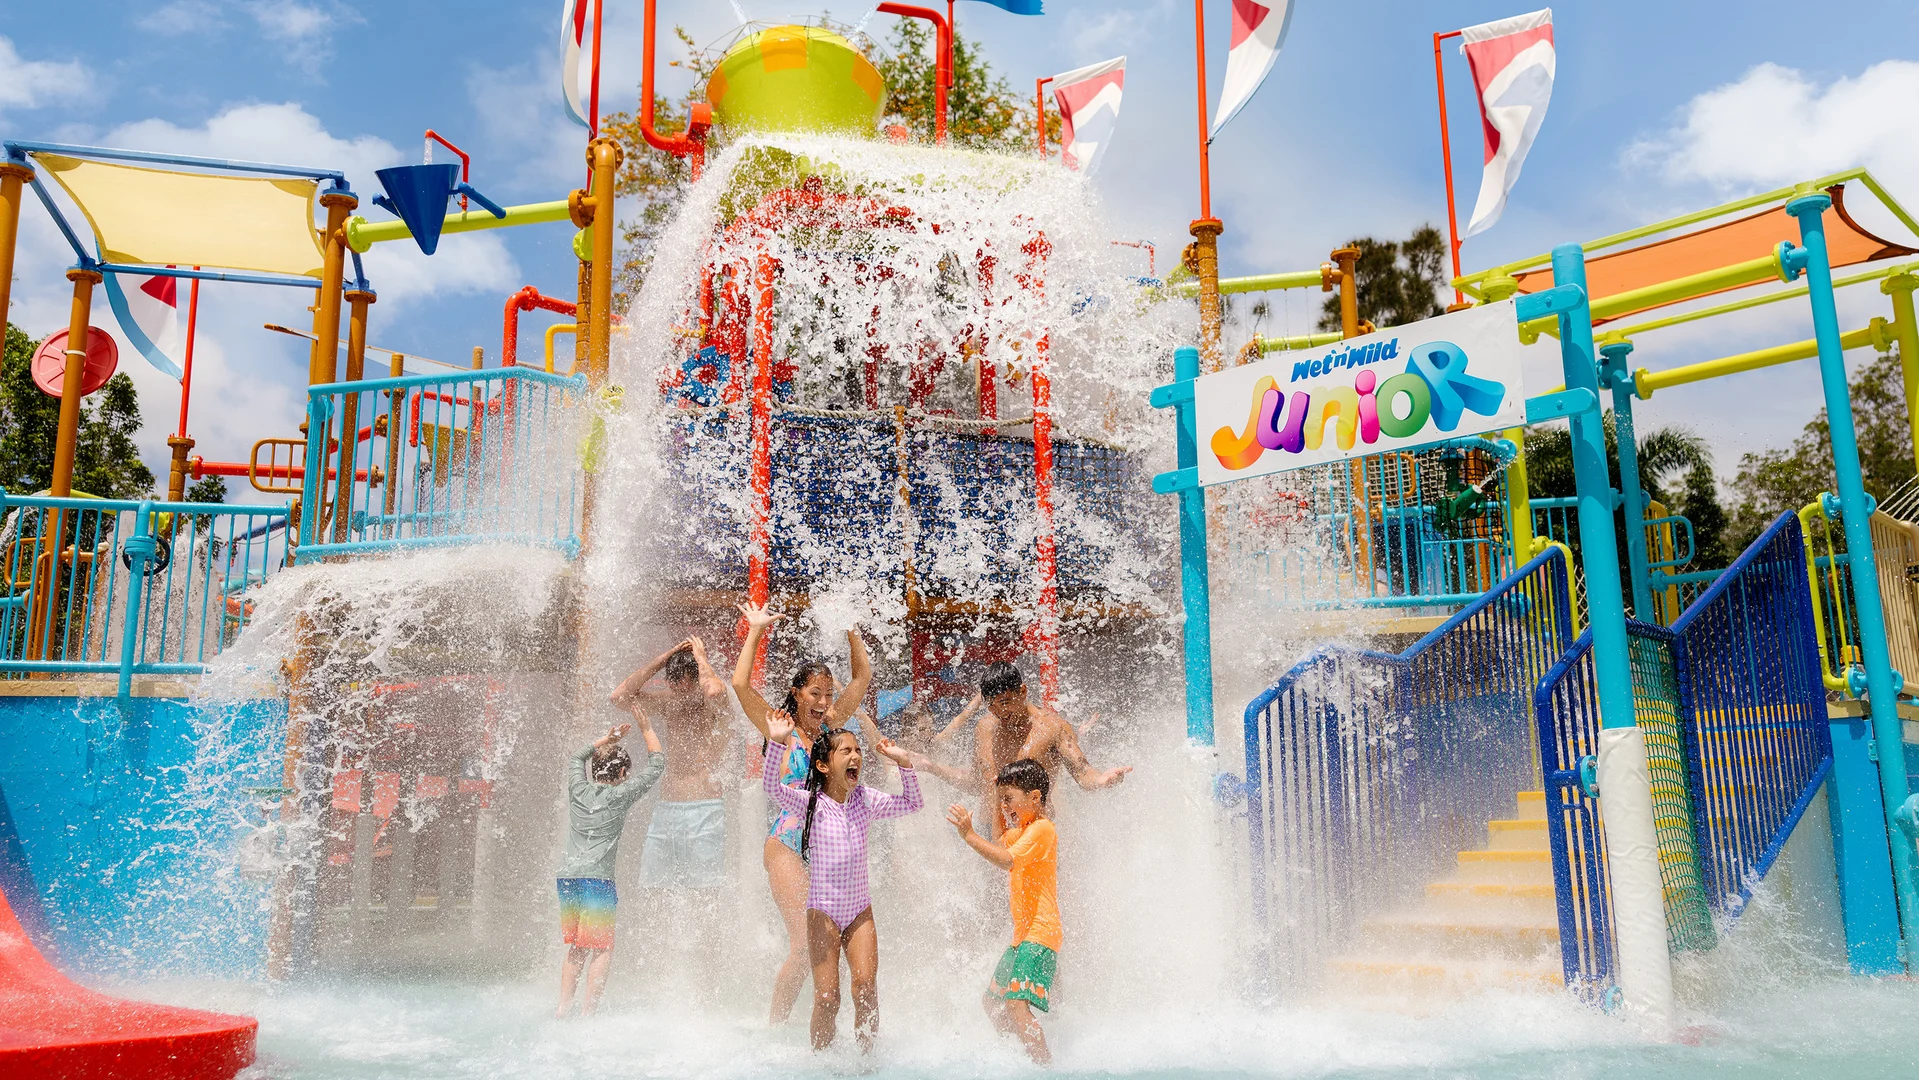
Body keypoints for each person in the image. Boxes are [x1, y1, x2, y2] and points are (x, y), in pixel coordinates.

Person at [731, 601, 873, 1025]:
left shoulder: (830, 730)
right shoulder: (780, 726)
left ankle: (819, 1026)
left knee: (827, 948)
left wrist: (849, 629)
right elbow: (740, 685)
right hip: (787, 844)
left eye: (828, 695)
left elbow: (862, 676)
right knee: (802, 945)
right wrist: (755, 630)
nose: (825, 701)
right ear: (797, 693)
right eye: (816, 693)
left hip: (827, 848)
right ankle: (774, 1028)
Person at [763, 707, 921, 1052]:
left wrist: (904, 763)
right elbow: (771, 788)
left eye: (858, 751)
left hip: (859, 911)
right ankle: (821, 1063)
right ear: (823, 765)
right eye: (845, 751)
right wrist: (776, 743)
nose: (855, 757)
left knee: (865, 988)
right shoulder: (810, 804)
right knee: (827, 997)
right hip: (823, 912)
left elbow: (913, 803)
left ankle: (867, 1063)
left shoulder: (865, 799)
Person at [947, 759, 1060, 1066]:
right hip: (1023, 938)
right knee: (992, 1002)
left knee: (1016, 1005)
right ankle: (1019, 1059)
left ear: (1034, 798)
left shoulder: (1042, 829)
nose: (1005, 806)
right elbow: (998, 842)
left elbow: (1007, 860)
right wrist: (994, 792)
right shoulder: (1023, 830)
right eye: (1002, 801)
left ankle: (1045, 1067)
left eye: (1010, 799)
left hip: (1040, 934)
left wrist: (969, 835)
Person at [556, 716, 666, 1018]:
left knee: (577, 946)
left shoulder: (578, 790)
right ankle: (589, 1013)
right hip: (597, 881)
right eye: (626, 773)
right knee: (601, 948)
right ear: (621, 773)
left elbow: (577, 755)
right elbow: (657, 764)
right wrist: (646, 728)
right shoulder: (620, 795)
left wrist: (607, 739)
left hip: (567, 879)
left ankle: (563, 1008)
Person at [608, 638, 731, 894]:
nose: (682, 686)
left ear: (698, 677)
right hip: (667, 810)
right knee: (656, 891)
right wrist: (666, 657)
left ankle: (707, 936)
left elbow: (715, 692)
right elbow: (619, 697)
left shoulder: (713, 704)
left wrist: (701, 658)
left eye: (689, 678)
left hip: (705, 810)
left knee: (705, 893)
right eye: (675, 679)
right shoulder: (668, 703)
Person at [973, 661, 1129, 819]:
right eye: (991, 705)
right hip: (988, 832)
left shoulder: (1053, 728)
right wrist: (946, 774)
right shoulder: (984, 729)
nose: (999, 712)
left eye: (1004, 702)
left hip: (1035, 833)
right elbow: (977, 781)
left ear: (1023, 691)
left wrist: (1102, 780)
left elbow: (1082, 772)